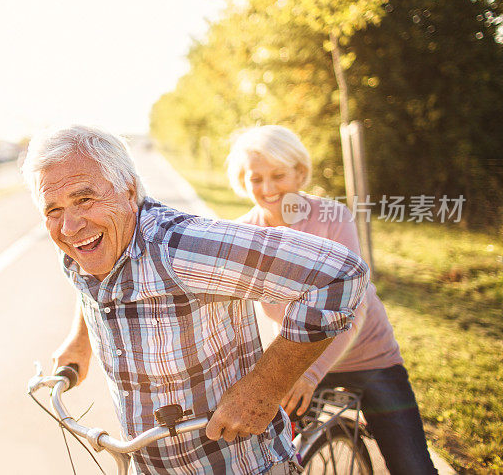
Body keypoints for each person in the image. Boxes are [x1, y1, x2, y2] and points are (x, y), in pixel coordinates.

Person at [21, 125, 370, 475]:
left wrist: (263, 388)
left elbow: (340, 274)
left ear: (128, 192)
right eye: (53, 210)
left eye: (84, 199)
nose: (69, 226)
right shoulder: (79, 248)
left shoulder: (182, 248)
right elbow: (89, 282)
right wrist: (80, 341)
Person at [227, 125, 438, 475]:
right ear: (242, 180)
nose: (266, 189)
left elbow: (350, 309)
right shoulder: (244, 233)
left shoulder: (331, 218)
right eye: (256, 178)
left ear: (299, 172)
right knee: (261, 451)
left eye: (278, 175)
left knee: (412, 467)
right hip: (299, 357)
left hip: (369, 358)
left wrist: (309, 374)